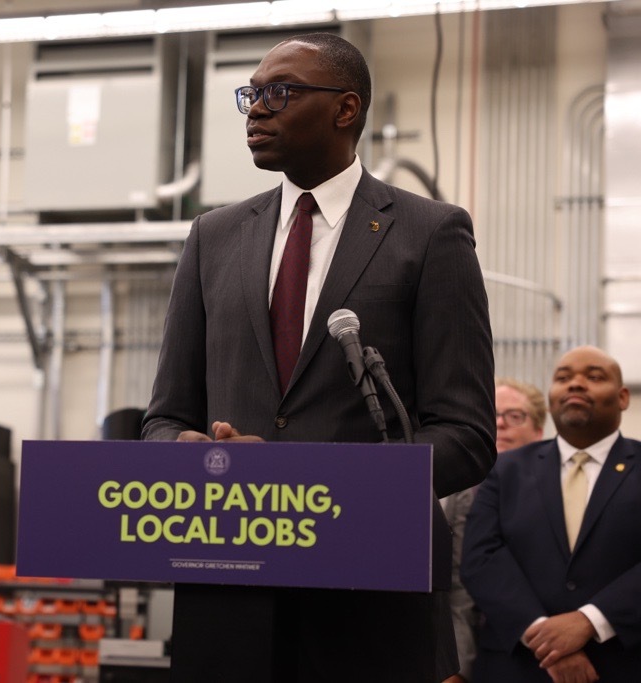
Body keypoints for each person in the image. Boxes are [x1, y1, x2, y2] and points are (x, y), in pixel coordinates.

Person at [142, 32, 495, 682]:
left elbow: (467, 436)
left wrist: (303, 482)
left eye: (280, 92)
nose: (256, 109)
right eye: (251, 94)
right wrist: (191, 451)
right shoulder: (213, 236)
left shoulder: (430, 233)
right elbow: (163, 416)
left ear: (345, 109)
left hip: (368, 599)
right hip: (228, 593)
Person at [462, 346, 641, 681]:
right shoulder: (504, 470)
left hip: (622, 663)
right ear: (551, 397)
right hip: (516, 665)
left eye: (594, 376)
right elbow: (479, 556)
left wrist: (591, 620)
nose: (575, 384)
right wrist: (544, 636)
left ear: (622, 398)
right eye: (563, 377)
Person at [444, 378, 547, 681]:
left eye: (514, 416)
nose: (500, 424)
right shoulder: (446, 491)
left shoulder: (551, 498)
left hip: (522, 655)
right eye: (492, 414)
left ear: (538, 430)